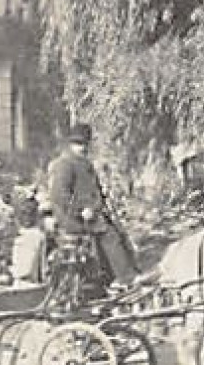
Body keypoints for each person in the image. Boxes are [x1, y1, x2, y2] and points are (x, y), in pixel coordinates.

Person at [46, 122, 140, 287]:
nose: (81, 148)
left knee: (117, 231)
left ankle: (119, 275)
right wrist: (80, 211)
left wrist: (98, 207)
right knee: (109, 235)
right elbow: (59, 195)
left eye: (84, 144)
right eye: (77, 144)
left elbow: (97, 193)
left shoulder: (85, 164)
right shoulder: (65, 164)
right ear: (70, 144)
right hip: (71, 218)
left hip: (90, 214)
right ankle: (126, 277)